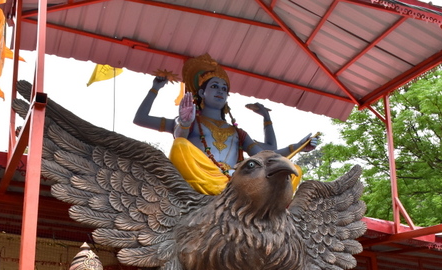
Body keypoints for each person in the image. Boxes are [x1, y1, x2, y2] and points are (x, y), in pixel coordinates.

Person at [133, 53, 318, 195]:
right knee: (180, 144)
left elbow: (268, 152)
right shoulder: (189, 120)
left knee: (291, 170)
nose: (220, 91)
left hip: (235, 182)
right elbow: (140, 119)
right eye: (214, 86)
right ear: (202, 93)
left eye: (224, 89)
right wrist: (157, 91)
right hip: (200, 177)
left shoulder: (237, 132)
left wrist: (298, 145)